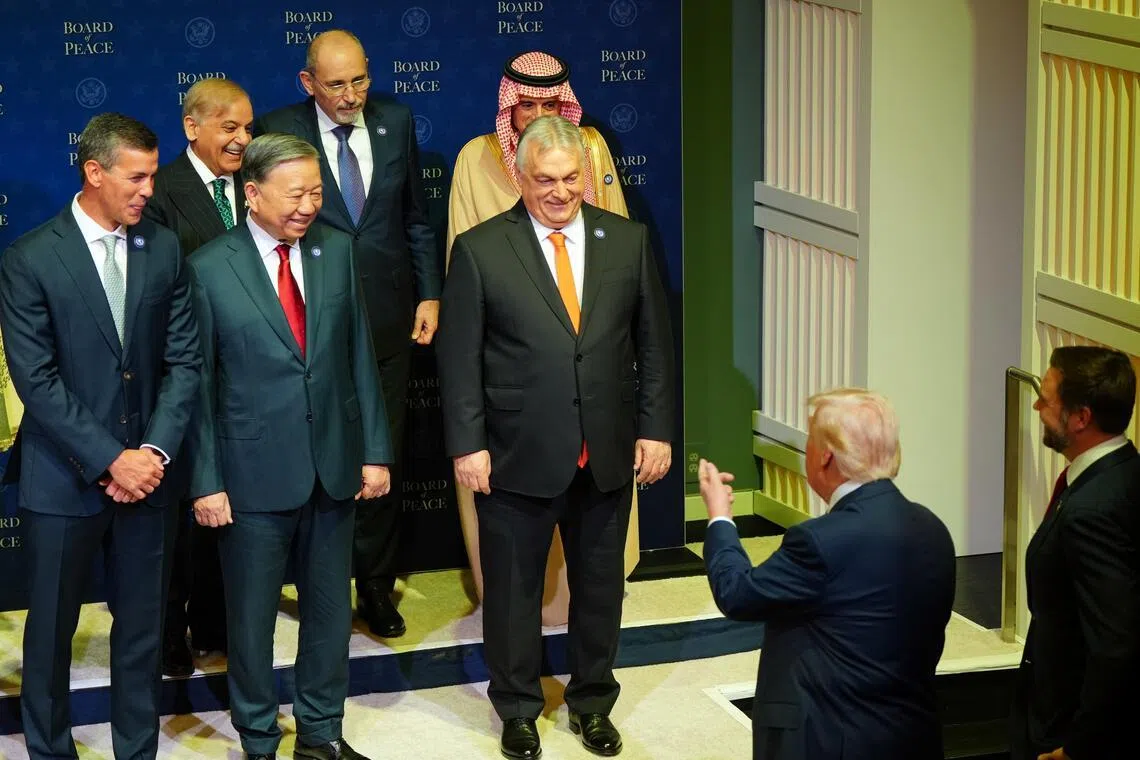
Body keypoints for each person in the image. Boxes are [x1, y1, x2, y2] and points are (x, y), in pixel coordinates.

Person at [437, 115, 674, 760]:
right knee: (512, 593)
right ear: (521, 175)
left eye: (572, 179)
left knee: (600, 591)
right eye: (546, 180)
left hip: (605, 452)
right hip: (514, 454)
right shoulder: (482, 249)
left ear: (587, 177)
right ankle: (516, 707)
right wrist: (468, 443)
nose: (560, 193)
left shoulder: (626, 241)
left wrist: (655, 430)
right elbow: (458, 359)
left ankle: (592, 702)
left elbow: (654, 346)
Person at [0, 112, 201, 760]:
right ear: (94, 172)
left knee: (142, 631)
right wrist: (112, 458)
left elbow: (184, 362)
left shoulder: (164, 248)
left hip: (149, 477)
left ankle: (136, 751)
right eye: (136, 176)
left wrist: (152, 453)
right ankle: (50, 752)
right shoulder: (30, 257)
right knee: (52, 633)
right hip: (62, 479)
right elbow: (36, 379)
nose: (150, 188)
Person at [186, 133, 391, 760]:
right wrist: (205, 480)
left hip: (333, 465)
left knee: (331, 612)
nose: (309, 205)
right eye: (296, 193)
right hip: (249, 475)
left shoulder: (333, 251)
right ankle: (257, 736)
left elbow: (358, 355)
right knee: (249, 620)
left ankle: (323, 731)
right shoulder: (208, 267)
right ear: (252, 194)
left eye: (316, 191)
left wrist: (375, 451)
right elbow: (195, 387)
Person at [255, 29, 441, 639]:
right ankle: (318, 583)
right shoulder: (280, 127)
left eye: (360, 79)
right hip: (310, 321)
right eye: (336, 84)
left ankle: (378, 586)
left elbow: (415, 216)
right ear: (308, 83)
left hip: (389, 318)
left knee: (380, 455)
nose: (351, 94)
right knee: (317, 457)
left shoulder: (396, 120)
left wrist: (429, 292)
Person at [447, 50, 637, 627]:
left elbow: (621, 254)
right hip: (514, 392)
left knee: (595, 564)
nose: (534, 115)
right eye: (523, 104)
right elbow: (462, 267)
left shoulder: (593, 151)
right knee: (513, 561)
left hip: (590, 383)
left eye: (548, 104)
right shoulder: (476, 158)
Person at [700, 388, 955, 760]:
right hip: (911, 737)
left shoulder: (819, 542)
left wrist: (720, 518)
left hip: (828, 741)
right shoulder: (933, 529)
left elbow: (738, 593)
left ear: (825, 457)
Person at [143, 77, 254, 676]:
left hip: (243, 379)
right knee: (176, 520)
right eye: (228, 128)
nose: (242, 140)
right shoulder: (159, 193)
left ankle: (214, 624)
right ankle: (166, 634)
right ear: (193, 127)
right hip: (180, 377)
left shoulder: (254, 189)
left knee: (226, 510)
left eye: (247, 128)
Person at [1012, 346, 1140, 760]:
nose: (1037, 406)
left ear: (1081, 418)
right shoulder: (1125, 473)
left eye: (1047, 400)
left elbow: (1113, 642)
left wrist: (1077, 748)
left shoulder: (1089, 512)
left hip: (1069, 731)